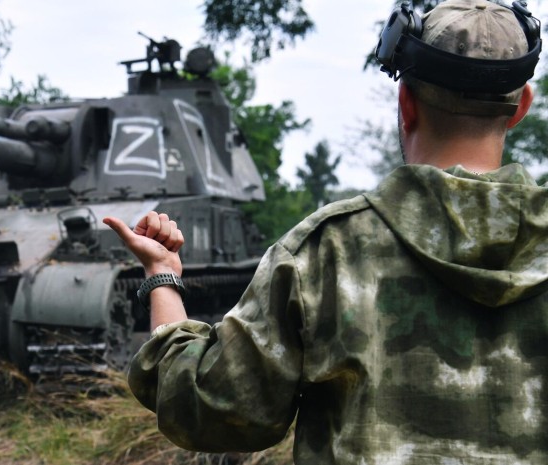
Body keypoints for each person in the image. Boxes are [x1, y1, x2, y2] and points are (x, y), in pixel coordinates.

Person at [103, 0, 548, 462]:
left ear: (406, 103)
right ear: (521, 108)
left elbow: (207, 408)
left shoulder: (323, 253)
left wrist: (162, 277)